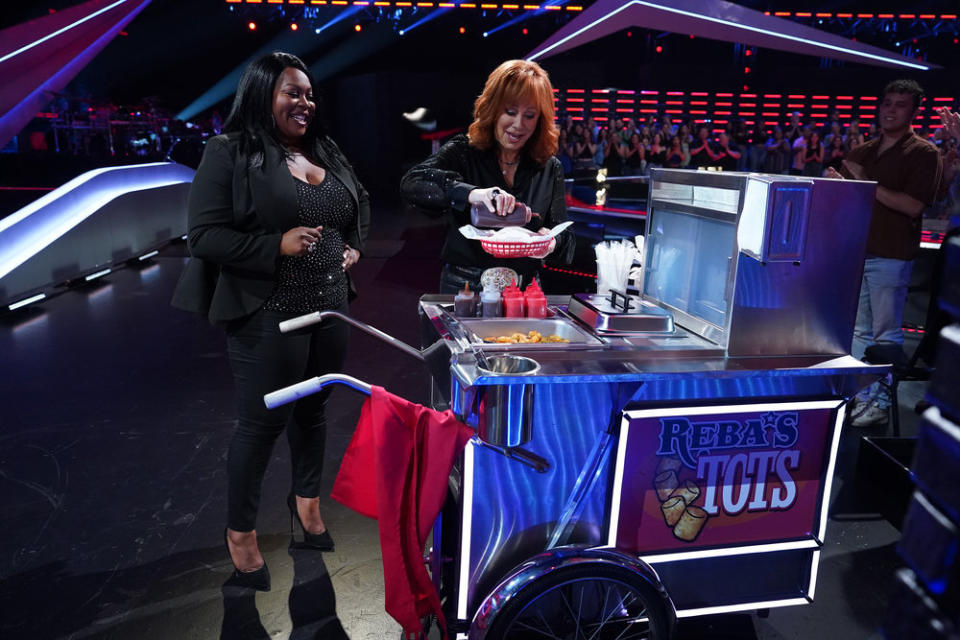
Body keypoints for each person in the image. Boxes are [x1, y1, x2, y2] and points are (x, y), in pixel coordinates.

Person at [171, 52, 371, 588]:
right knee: (261, 425)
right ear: (263, 94)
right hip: (268, 313)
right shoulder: (229, 151)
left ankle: (306, 504)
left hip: (331, 307)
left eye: (308, 93)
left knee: (314, 412)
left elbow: (357, 204)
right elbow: (205, 236)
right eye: (292, 92)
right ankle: (240, 532)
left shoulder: (322, 148)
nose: (304, 102)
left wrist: (352, 247)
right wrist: (274, 245)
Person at [400, 59, 575, 293]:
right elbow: (412, 183)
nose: (518, 125)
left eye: (530, 115)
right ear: (493, 109)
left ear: (541, 119)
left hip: (525, 292)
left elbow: (566, 236)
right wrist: (471, 193)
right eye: (510, 112)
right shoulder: (463, 152)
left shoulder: (549, 167)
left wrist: (551, 242)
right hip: (464, 288)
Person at [826, 79, 942, 427]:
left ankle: (879, 399)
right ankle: (860, 396)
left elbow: (911, 205)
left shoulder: (924, 153)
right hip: (856, 251)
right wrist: (839, 187)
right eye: (886, 102)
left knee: (886, 333)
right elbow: (848, 202)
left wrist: (866, 187)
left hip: (891, 255)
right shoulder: (862, 151)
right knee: (858, 332)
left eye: (900, 104)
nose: (890, 109)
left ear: (913, 112)